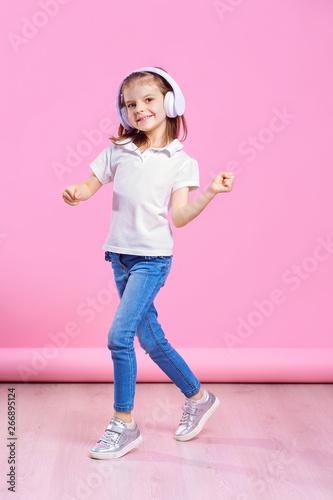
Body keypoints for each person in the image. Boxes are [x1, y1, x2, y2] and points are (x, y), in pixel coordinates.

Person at [62, 66, 235, 459]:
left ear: (171, 103)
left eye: (148, 99)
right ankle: (199, 397)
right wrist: (75, 192)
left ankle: (124, 424)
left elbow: (180, 217)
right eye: (130, 104)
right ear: (124, 113)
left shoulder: (180, 161)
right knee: (151, 340)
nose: (139, 108)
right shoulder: (117, 151)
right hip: (119, 257)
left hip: (152, 260)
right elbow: (88, 186)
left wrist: (209, 191)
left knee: (119, 337)